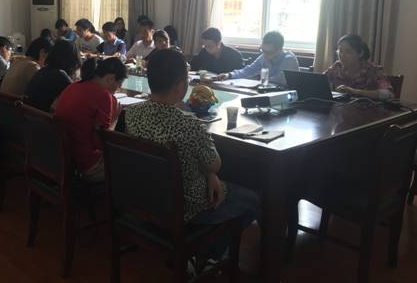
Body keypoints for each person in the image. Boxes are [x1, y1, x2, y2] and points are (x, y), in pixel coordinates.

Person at [125, 49, 259, 266]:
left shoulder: (132, 113)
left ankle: (200, 253)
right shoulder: (189, 124)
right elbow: (215, 164)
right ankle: (205, 254)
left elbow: (209, 169)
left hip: (147, 197)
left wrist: (210, 175)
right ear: (180, 86)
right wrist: (211, 174)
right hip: (186, 206)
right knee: (252, 199)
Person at [55, 57, 126, 183]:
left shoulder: (72, 86)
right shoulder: (103, 95)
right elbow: (101, 143)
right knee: (133, 164)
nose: (117, 89)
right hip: (86, 165)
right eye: (119, 84)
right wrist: (114, 120)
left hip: (62, 157)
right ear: (110, 78)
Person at [325, 34, 393, 99]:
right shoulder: (337, 66)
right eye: (340, 51)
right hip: (340, 106)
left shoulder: (374, 70)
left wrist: (355, 91)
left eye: (348, 51)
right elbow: (320, 81)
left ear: (360, 53)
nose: (342, 55)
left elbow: (388, 94)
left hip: (366, 106)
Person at [217, 31, 299, 86]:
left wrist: (258, 79)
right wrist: (229, 75)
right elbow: (249, 70)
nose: (265, 55)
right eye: (263, 50)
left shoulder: (289, 60)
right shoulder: (264, 56)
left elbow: (280, 80)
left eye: (269, 52)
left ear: (280, 49)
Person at [25, 40, 81, 112]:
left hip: (31, 115)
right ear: (72, 59)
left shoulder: (42, 71)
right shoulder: (61, 76)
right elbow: (76, 100)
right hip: (43, 117)